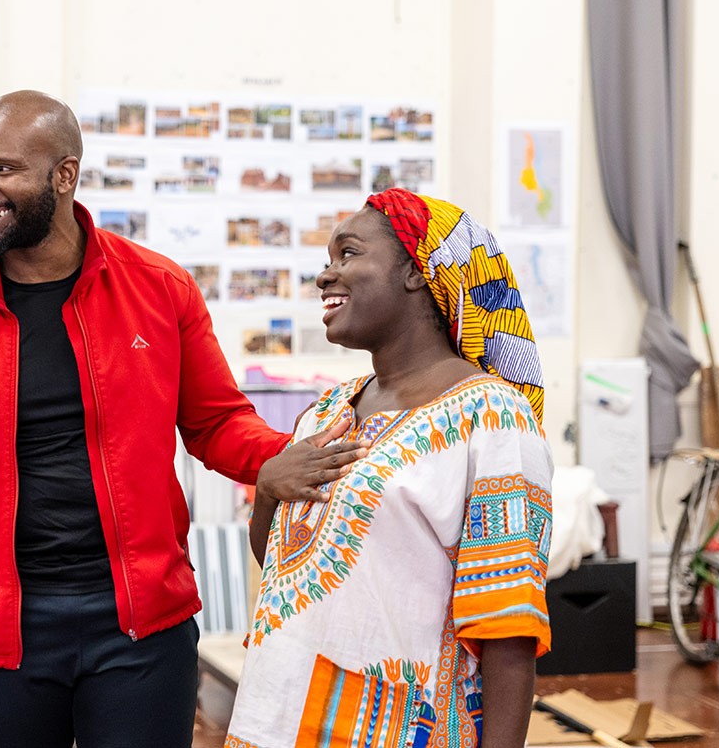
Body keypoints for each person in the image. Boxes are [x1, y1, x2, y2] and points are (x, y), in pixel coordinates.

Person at [0, 90, 359, 748]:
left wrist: (281, 459)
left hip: (141, 630)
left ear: (64, 175)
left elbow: (216, 423)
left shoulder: (158, 289)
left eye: (3, 169)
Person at [226, 189, 553, 748]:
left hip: (400, 729)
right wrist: (269, 487)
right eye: (327, 260)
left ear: (417, 273)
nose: (326, 276)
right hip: (274, 719)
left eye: (348, 254)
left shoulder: (494, 418)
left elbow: (508, 629)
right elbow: (284, 569)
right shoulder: (329, 410)